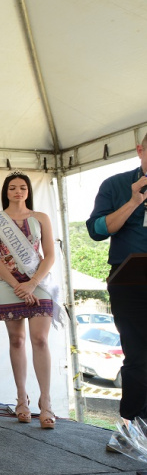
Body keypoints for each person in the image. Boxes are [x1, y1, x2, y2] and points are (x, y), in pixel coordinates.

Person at [0, 172, 63, 430]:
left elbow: (49, 255)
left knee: (40, 339)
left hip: (38, 282)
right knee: (17, 340)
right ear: (6, 192)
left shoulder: (41, 218)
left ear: (28, 191)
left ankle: (46, 401)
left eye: (22, 187)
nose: (18, 191)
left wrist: (31, 283)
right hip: (8, 283)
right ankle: (21, 398)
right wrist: (17, 284)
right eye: (12, 187)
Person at [87, 133, 147, 441]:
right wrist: (134, 201)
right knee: (137, 355)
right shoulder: (116, 184)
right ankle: (131, 429)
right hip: (130, 282)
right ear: (140, 150)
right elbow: (96, 230)